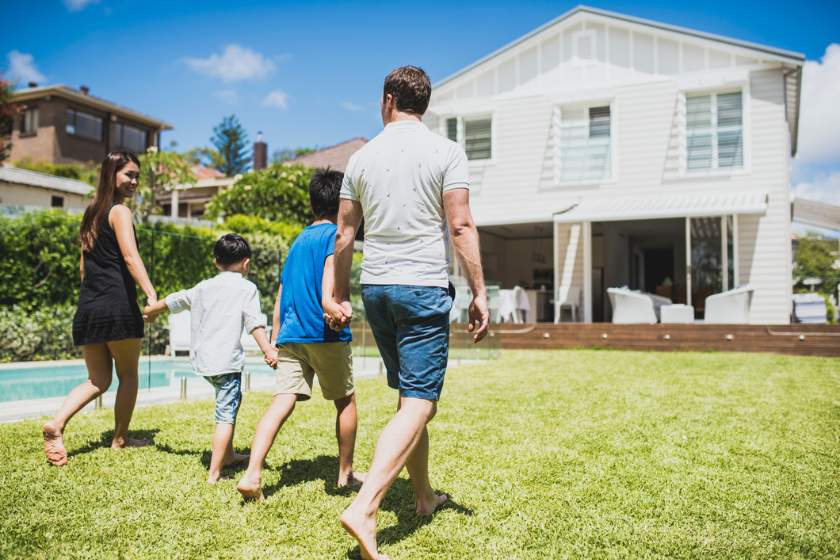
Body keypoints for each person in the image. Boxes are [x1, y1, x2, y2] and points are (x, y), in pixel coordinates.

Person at [324, 66, 490, 560]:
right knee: (420, 402)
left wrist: (338, 293)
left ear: (388, 100)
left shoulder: (360, 157)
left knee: (409, 399)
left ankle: (423, 497)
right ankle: (365, 507)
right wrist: (480, 292)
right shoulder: (446, 151)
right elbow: (460, 226)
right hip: (421, 287)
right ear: (423, 103)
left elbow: (344, 234)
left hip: (377, 289)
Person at [237, 168, 365, 501]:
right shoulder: (336, 235)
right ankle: (345, 475)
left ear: (311, 205)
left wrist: (275, 340)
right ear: (344, 204)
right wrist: (333, 304)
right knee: (345, 401)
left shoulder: (297, 242)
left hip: (291, 336)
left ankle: (252, 474)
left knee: (281, 402)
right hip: (324, 332)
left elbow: (281, 295)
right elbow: (330, 272)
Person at [42, 151, 156, 466]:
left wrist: (91, 302)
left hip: (89, 308)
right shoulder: (120, 211)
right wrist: (150, 294)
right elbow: (131, 257)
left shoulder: (90, 213)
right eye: (128, 174)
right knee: (128, 375)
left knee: (97, 381)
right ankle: (119, 439)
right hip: (118, 306)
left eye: (137, 176)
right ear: (111, 174)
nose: (134, 181)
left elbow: (83, 268)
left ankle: (57, 423)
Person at [143, 234, 278, 483]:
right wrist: (268, 350)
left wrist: (151, 310)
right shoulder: (247, 288)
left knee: (231, 403)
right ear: (246, 263)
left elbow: (174, 300)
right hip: (226, 363)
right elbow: (254, 322)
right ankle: (215, 473)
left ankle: (229, 455)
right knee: (226, 414)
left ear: (216, 262)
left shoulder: (203, 287)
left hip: (204, 362)